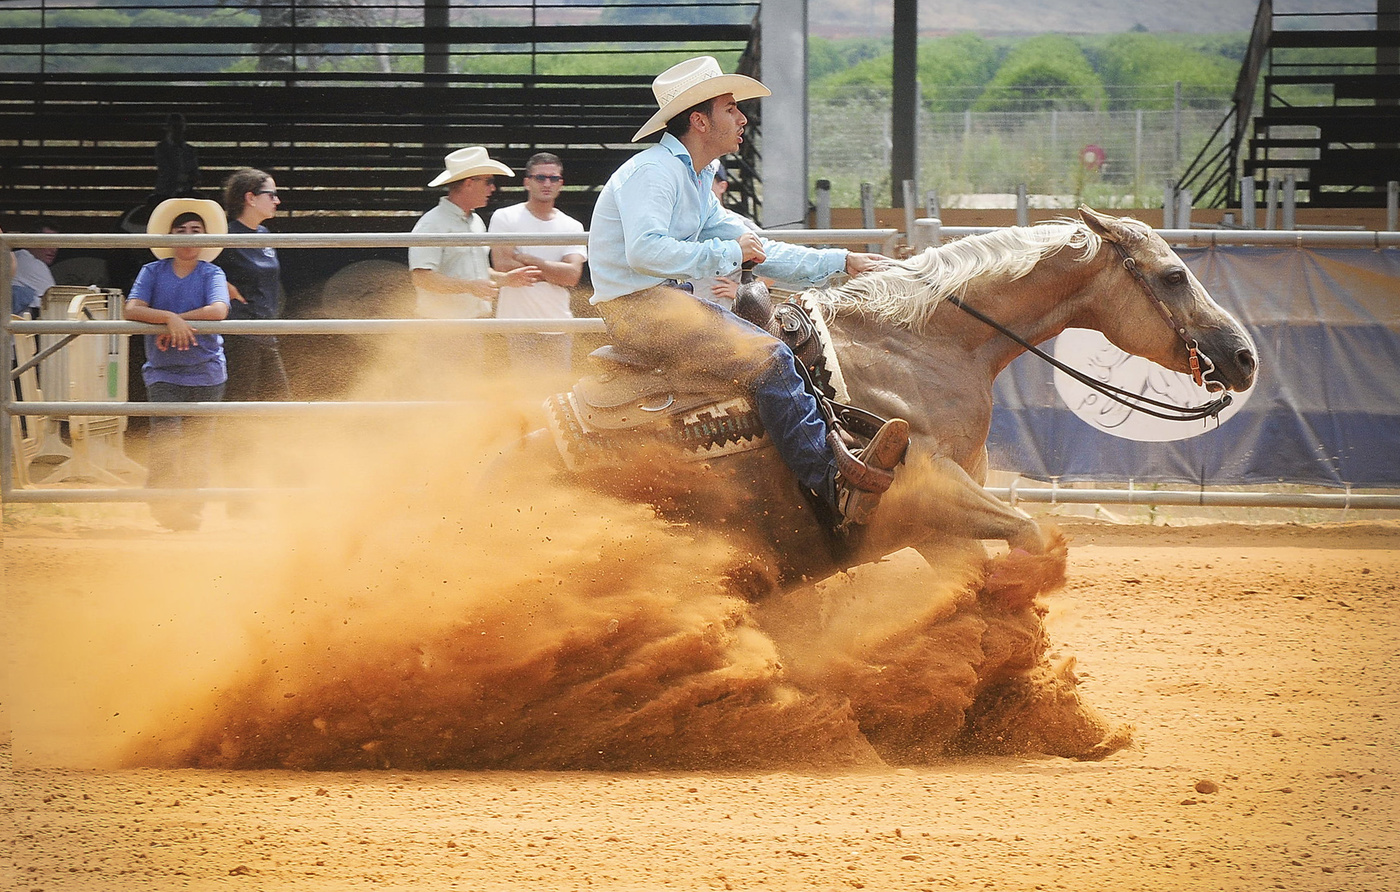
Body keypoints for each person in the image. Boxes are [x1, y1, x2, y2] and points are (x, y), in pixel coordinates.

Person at [588, 55, 909, 530]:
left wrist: (842, 263)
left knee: (781, 340)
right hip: (643, 309)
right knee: (772, 358)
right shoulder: (654, 174)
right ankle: (832, 482)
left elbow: (757, 248)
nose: (742, 118)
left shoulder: (693, 178)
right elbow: (645, 251)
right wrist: (727, 254)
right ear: (699, 120)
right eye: (731, 107)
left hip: (664, 303)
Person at [121, 198, 231, 531]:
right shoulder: (152, 271)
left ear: (206, 237)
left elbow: (218, 310)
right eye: (181, 230)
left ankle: (191, 508)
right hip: (163, 370)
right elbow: (132, 308)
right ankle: (163, 504)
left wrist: (176, 321)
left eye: (196, 230)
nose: (188, 237)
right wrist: (169, 318)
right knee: (165, 438)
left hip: (206, 370)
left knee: (198, 443)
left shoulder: (212, 272)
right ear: (169, 236)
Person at [410, 147, 543, 322]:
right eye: (488, 181)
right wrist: (469, 287)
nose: (493, 188)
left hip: (472, 322)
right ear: (469, 183)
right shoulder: (432, 223)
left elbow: (472, 269)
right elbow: (422, 277)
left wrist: (504, 279)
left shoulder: (475, 221)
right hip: (440, 325)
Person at [488, 152, 587, 376]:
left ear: (561, 183)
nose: (547, 183)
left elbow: (572, 276)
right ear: (527, 182)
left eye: (553, 178)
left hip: (558, 324)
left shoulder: (572, 226)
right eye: (540, 177)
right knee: (520, 394)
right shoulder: (505, 217)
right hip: (515, 324)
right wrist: (553, 271)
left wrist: (528, 259)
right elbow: (502, 264)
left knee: (556, 393)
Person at [216, 168, 291, 402]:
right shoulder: (224, 236)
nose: (277, 201)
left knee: (280, 402)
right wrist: (221, 283)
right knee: (242, 401)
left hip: (266, 331)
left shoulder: (265, 234)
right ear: (250, 198)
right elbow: (196, 267)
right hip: (239, 333)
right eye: (271, 195)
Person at [9, 221, 57, 317]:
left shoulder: (17, 256)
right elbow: (56, 301)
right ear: (30, 241)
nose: (54, 249)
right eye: (47, 243)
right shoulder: (31, 263)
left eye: (56, 243)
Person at [153, 112, 200, 201]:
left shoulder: (190, 150)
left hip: (186, 191)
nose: (178, 131)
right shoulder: (161, 148)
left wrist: (194, 178)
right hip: (166, 192)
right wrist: (187, 178)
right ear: (168, 128)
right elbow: (166, 172)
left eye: (180, 127)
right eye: (175, 127)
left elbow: (195, 172)